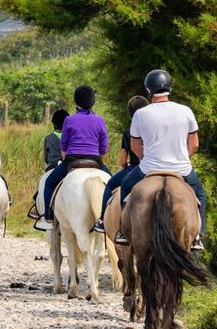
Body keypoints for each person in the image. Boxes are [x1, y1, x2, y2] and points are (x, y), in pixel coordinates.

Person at [114, 69, 206, 251]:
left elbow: (134, 146)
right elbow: (194, 144)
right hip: (181, 168)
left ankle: (122, 232)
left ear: (149, 90)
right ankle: (197, 236)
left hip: (149, 167)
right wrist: (180, 158)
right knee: (201, 195)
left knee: (125, 187)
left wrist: (146, 159)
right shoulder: (185, 111)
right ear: (169, 88)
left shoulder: (141, 114)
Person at [40, 85, 112, 229]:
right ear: (93, 101)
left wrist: (66, 158)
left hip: (72, 160)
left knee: (48, 183)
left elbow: (64, 145)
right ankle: (110, 220)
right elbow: (104, 147)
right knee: (113, 185)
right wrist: (97, 157)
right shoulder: (100, 120)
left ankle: (47, 218)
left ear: (76, 101)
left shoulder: (69, 120)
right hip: (95, 160)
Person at [92, 95, 149, 233]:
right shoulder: (154, 127)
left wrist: (125, 167)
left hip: (137, 168)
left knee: (111, 183)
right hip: (159, 167)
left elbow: (123, 161)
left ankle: (103, 221)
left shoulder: (128, 132)